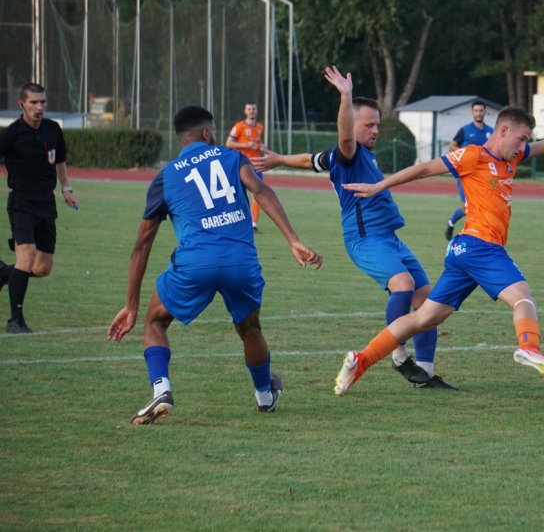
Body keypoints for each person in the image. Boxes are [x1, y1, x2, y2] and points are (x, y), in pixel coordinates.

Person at [334, 106, 544, 395]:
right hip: (481, 246)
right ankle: (529, 347)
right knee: (523, 299)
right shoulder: (473, 156)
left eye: (526, 140)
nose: (523, 146)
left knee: (425, 318)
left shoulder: (514, 155)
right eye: (520, 138)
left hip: (463, 252)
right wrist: (379, 185)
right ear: (503, 130)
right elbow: (424, 168)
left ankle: (361, 360)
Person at [107, 105, 322, 425]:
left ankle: (161, 390)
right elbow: (261, 191)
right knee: (250, 328)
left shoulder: (165, 176)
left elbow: (142, 245)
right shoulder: (232, 157)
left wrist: (131, 304)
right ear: (206, 133)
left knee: (154, 321)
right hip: (240, 260)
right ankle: (265, 396)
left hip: (196, 263)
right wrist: (292, 239)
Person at [253, 65, 453, 390]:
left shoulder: (356, 156)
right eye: (369, 124)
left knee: (429, 304)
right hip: (365, 239)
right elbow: (344, 137)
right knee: (402, 285)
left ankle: (426, 376)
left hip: (389, 238)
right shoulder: (349, 152)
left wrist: (280, 160)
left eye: (377, 124)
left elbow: (311, 160)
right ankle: (399, 354)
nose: (376, 130)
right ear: (353, 122)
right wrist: (345, 96)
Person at [0, 82, 78, 334]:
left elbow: (60, 161)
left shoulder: (53, 130)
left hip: (46, 203)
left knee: (42, 268)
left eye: (43, 102)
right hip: (21, 202)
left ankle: (3, 274)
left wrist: (66, 188)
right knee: (27, 256)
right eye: (33, 102)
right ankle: (15, 321)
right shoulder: (11, 134)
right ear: (21, 104)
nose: (39, 107)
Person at [444, 101, 494, 240]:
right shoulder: (465, 130)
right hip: (466, 174)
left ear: (485, 112)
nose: (478, 113)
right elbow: (452, 146)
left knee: (486, 205)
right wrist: (466, 153)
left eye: (481, 110)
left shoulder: (491, 132)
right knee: (467, 207)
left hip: (483, 175)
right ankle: (451, 223)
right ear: (473, 112)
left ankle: (481, 234)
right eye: (476, 110)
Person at [225, 102, 266, 231]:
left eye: (253, 109)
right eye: (249, 109)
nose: (251, 111)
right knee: (236, 194)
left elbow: (258, 142)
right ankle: (234, 220)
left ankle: (253, 224)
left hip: (256, 166)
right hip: (241, 166)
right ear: (245, 111)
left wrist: (263, 148)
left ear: (257, 111)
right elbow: (229, 143)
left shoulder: (260, 127)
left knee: (258, 194)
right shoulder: (239, 126)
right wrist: (246, 145)